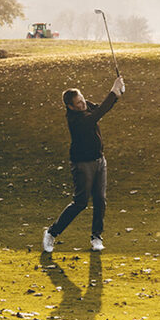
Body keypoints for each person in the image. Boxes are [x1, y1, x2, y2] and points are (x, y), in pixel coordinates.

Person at [43, 76, 125, 253]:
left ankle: (96, 237)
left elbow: (103, 108)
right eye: (78, 104)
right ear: (70, 107)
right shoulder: (76, 120)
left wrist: (117, 94)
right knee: (80, 202)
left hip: (99, 160)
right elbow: (97, 114)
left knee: (100, 200)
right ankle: (51, 233)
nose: (82, 105)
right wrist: (113, 90)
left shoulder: (85, 105)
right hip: (82, 164)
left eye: (82, 100)